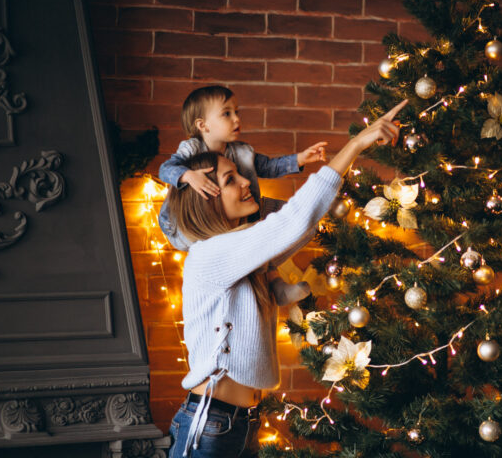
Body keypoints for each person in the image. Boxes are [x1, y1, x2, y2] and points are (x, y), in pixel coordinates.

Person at [166, 99, 408, 458]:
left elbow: (299, 228)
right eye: (229, 179)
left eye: (240, 173)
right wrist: (355, 145)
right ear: (206, 199)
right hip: (210, 426)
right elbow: (293, 220)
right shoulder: (210, 254)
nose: (247, 182)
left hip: (239, 422)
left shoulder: (241, 254)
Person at [158, 85, 327, 306]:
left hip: (245, 213)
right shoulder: (192, 149)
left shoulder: (240, 151)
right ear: (202, 125)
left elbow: (267, 166)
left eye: (237, 112)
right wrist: (188, 175)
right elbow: (165, 168)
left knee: (297, 218)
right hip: (190, 224)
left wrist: (299, 159)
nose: (236, 119)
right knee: (244, 246)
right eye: (226, 113)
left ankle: (275, 284)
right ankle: (270, 282)